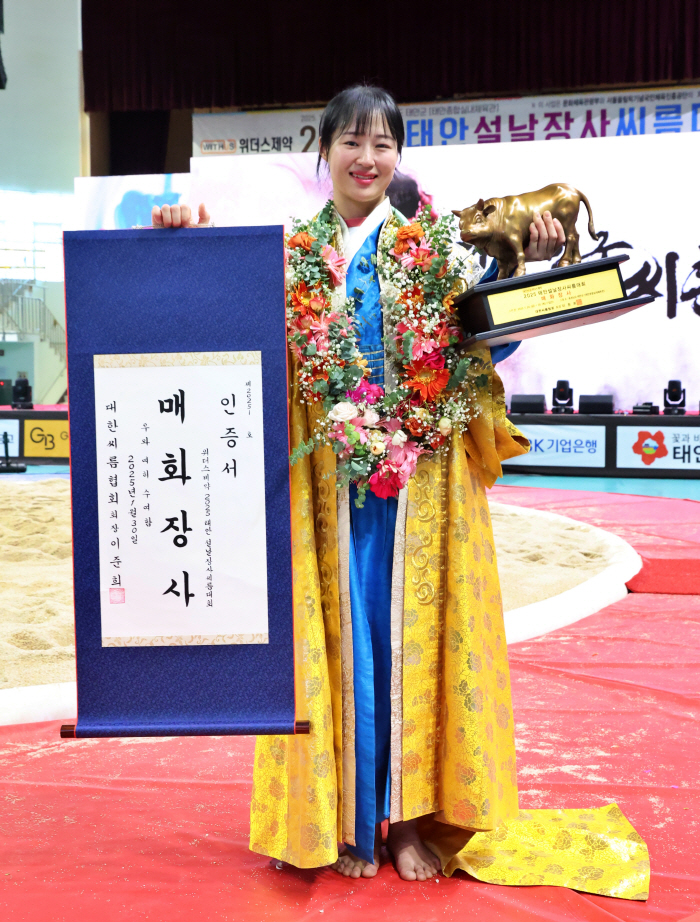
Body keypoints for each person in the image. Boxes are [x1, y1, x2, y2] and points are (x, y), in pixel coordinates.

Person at [151, 87, 647, 897]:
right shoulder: (291, 253)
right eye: (352, 141)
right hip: (322, 482)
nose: (368, 158)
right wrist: (180, 238)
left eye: (383, 143)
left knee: (410, 640)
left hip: (421, 484)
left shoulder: (435, 249)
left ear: (398, 157)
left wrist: (534, 264)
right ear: (325, 151)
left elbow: (489, 335)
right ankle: (341, 817)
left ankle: (412, 817)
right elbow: (219, 312)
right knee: (339, 639)